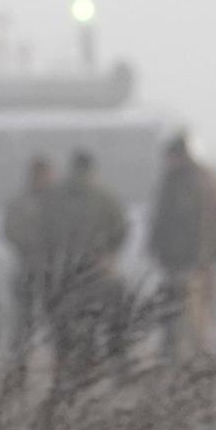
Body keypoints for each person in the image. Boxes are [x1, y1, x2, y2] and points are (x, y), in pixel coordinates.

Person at [41, 148, 129, 369]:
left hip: (66, 269)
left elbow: (45, 231)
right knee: (111, 318)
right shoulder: (106, 197)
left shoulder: (55, 196)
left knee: (67, 321)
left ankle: (67, 367)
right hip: (100, 267)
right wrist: (109, 254)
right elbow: (121, 230)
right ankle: (117, 363)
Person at [146, 133, 216, 360]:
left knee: (193, 311)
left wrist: (202, 257)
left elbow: (203, 222)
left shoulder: (195, 182)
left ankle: (197, 356)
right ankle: (174, 352)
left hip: (190, 259)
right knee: (175, 307)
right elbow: (160, 218)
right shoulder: (179, 179)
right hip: (176, 258)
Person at [0, 154, 55, 363]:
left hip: (54, 269)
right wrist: (33, 244)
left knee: (58, 321)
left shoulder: (60, 202)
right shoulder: (20, 202)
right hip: (28, 267)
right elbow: (10, 230)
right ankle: (18, 368)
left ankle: (63, 368)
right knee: (22, 322)